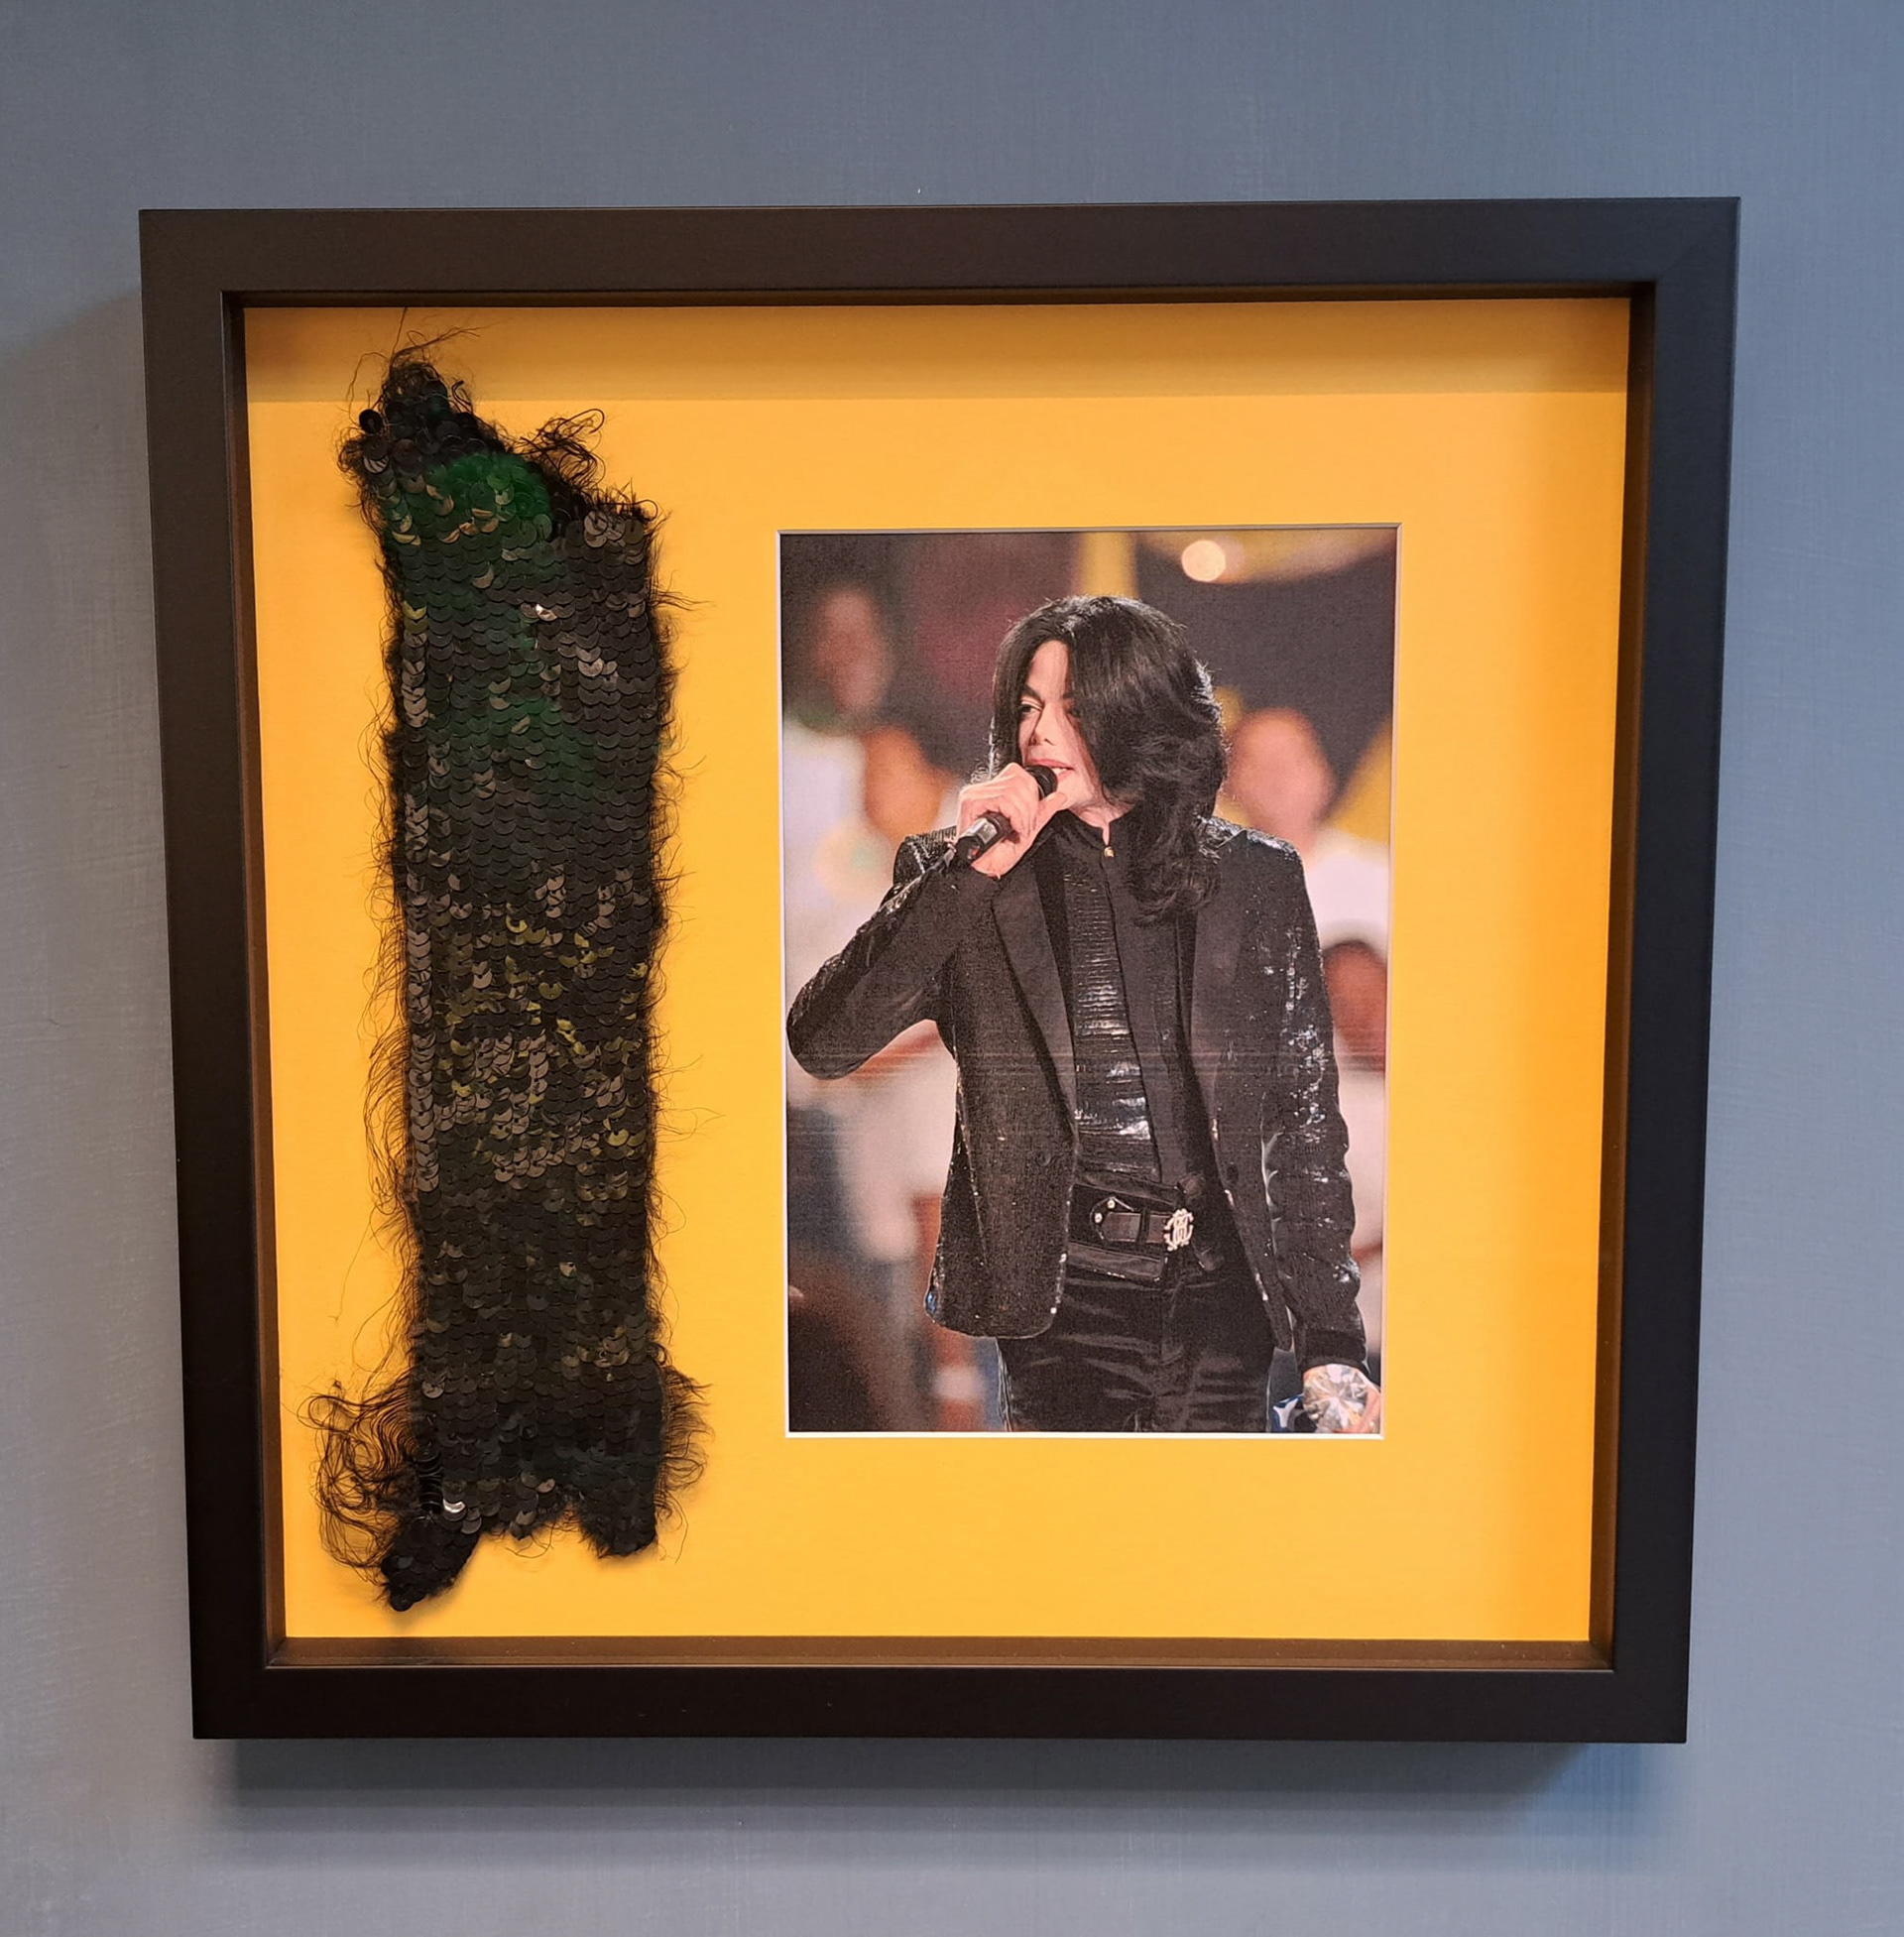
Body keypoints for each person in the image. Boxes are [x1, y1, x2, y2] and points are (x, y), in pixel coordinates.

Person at [786, 596, 1380, 1434]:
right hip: (1056, 1306)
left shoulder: (1255, 877)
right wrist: (966, 874)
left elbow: (1304, 1121)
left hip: (1224, 1298)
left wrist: (1333, 1346)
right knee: (1072, 1516)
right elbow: (824, 1041)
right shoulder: (965, 876)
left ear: (1140, 709)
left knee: (1210, 1515)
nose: (1039, 732)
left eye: (1071, 707)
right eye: (1028, 707)